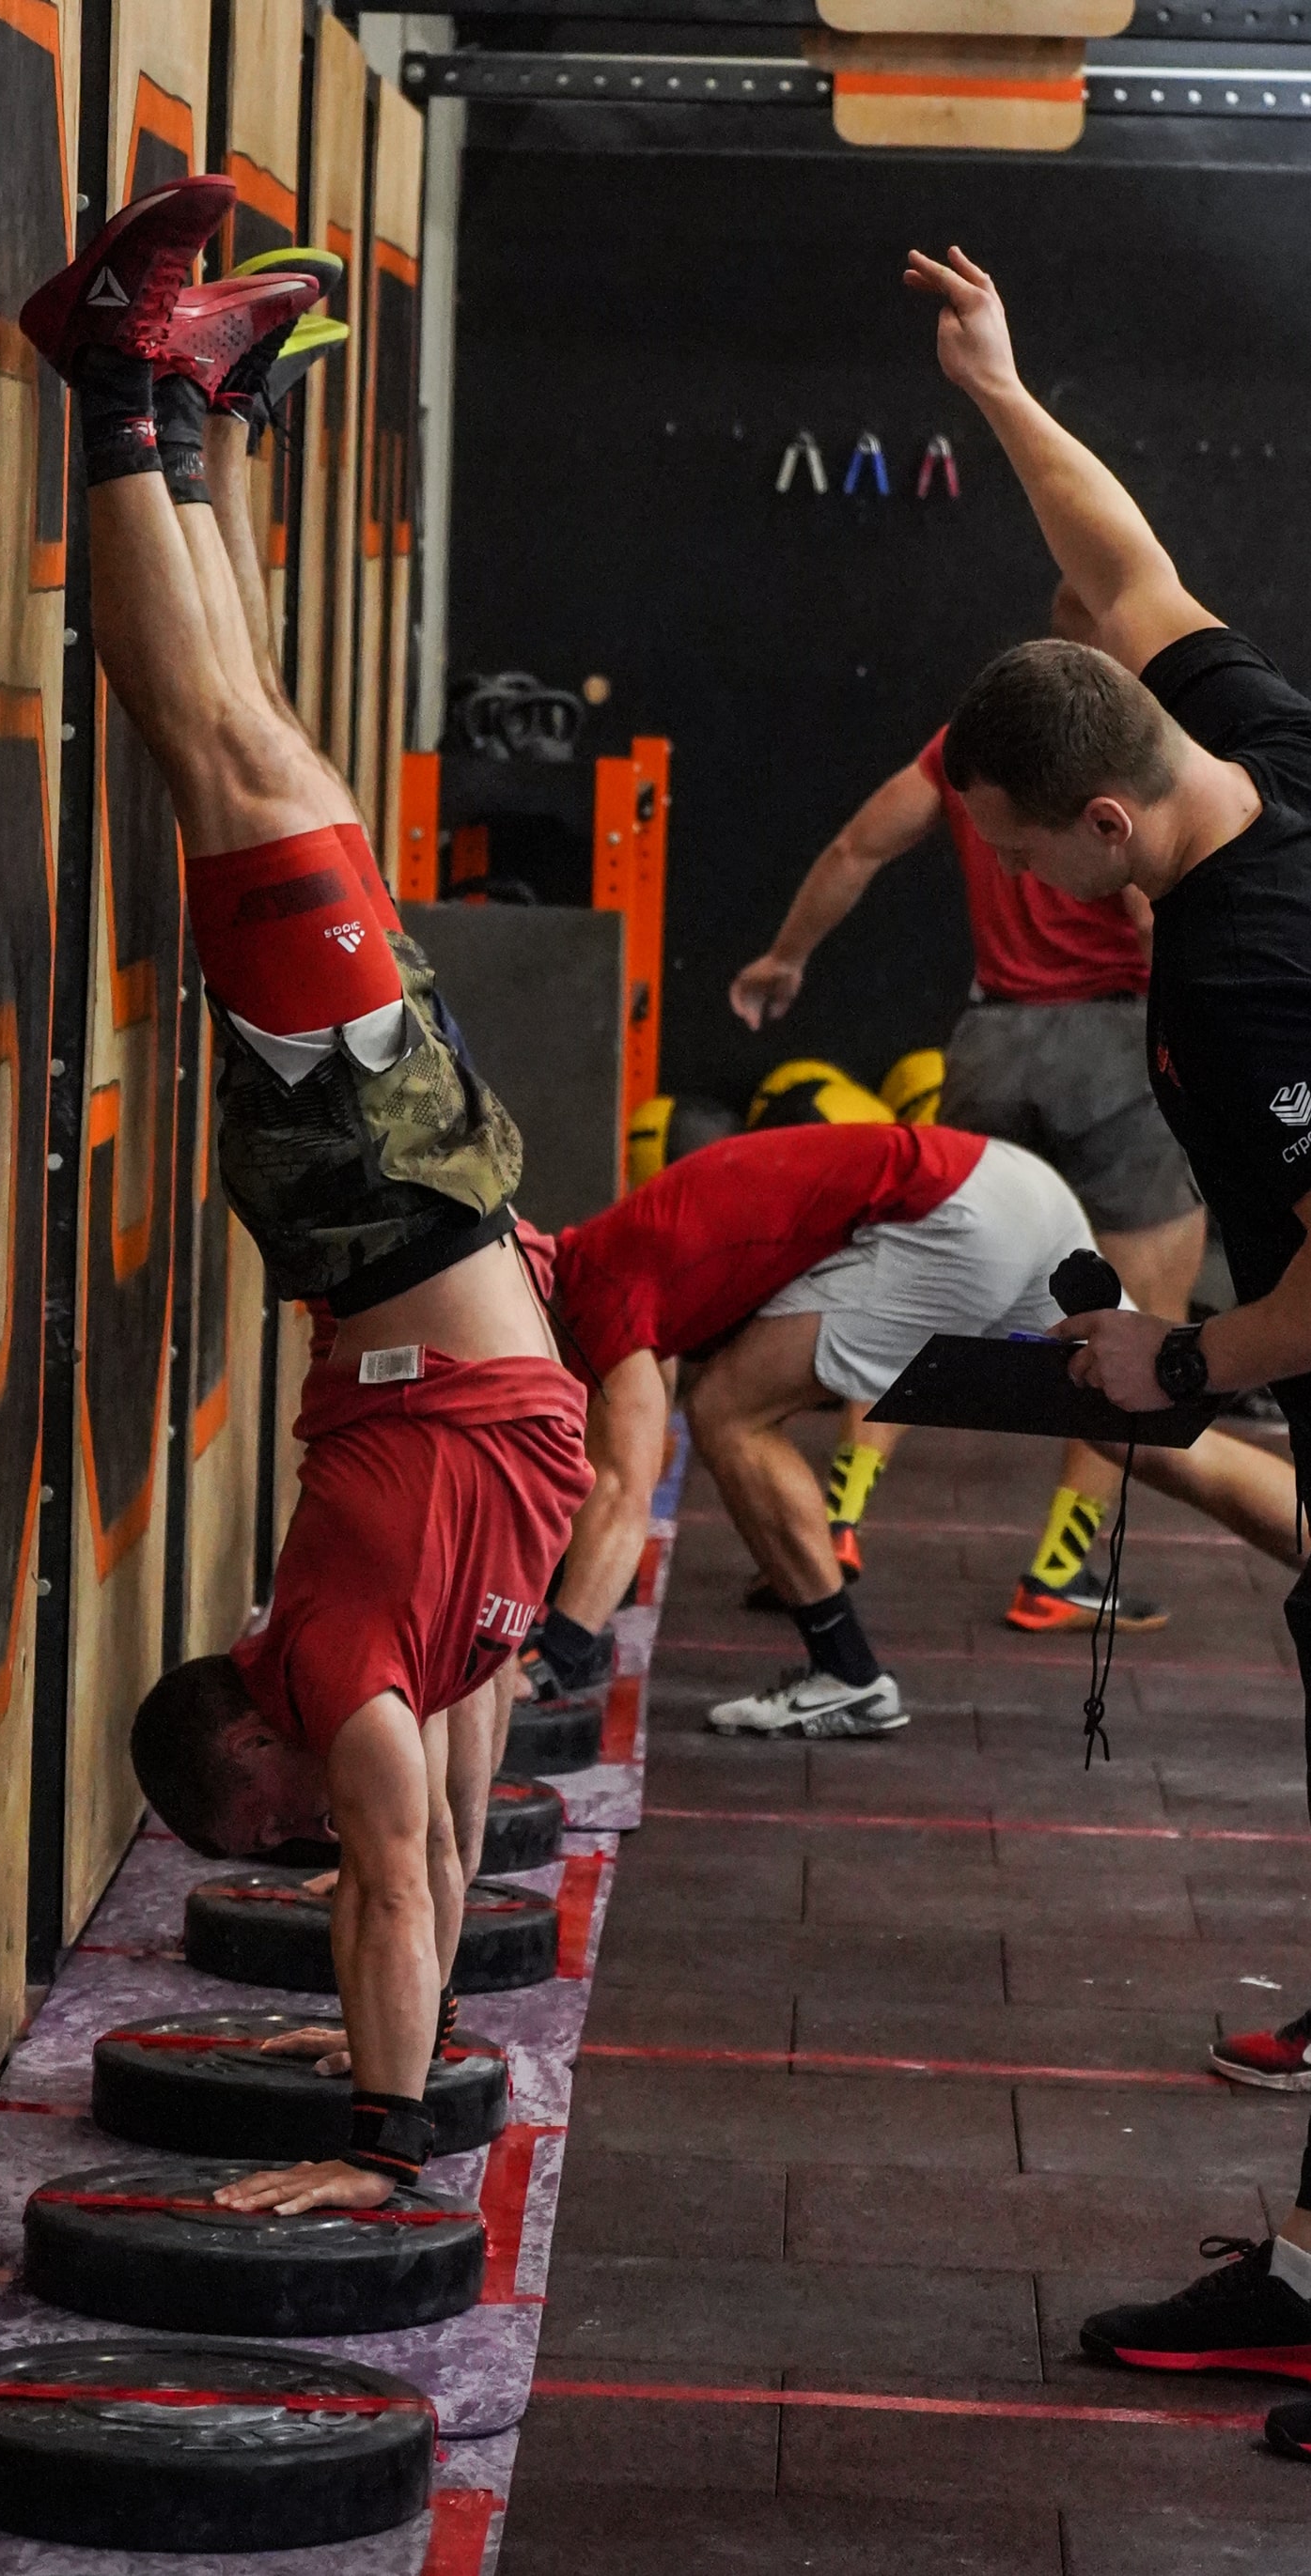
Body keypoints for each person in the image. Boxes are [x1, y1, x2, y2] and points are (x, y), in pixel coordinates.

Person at [20, 178, 592, 2216]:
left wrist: (377, 2146)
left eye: (262, 1827)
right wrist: (388, 2068)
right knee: (272, 749)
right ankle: (193, 417)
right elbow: (430, 1850)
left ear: (246, 1751)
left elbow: (387, 1881)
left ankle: (110, 375)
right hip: (412, 1175)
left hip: (369, 1169)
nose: (299, 1842)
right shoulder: (420, 1677)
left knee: (220, 760)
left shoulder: (340, 1665)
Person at [905, 238, 1311, 2460]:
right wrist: (994, 379)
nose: (1054, 903)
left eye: (1045, 870)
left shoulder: (1245, 969)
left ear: (1106, 819)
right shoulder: (1251, 743)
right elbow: (1123, 560)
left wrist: (1183, 1362)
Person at [731, 606, 1208, 1637]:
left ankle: (838, 1518)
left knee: (926, 1297)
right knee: (1140, 1321)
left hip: (990, 1044)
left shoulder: (972, 747)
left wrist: (784, 958)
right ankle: (1059, 1572)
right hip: (1116, 1050)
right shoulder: (1136, 747)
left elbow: (856, 847)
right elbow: (1148, 914)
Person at [536, 1123, 1298, 1743]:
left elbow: (622, 1487)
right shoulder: (601, 1255)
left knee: (728, 1415)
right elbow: (603, 1451)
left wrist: (550, 1656)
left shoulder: (597, 1293)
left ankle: (848, 1677)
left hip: (953, 1223)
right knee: (1143, 1431)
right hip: (1016, 1193)